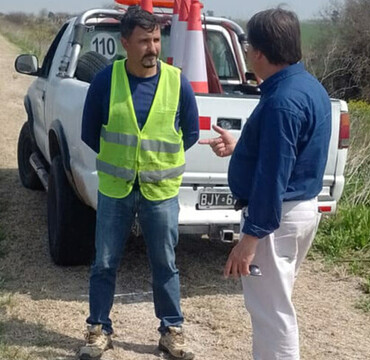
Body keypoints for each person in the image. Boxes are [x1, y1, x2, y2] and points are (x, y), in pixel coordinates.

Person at [198, 7, 331, 359]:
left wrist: (249, 239)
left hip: (278, 217)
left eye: (247, 48)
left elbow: (274, 175)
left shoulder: (282, 102)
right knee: (275, 307)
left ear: (258, 52)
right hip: (297, 210)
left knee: (272, 314)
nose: (246, 54)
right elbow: (289, 151)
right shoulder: (306, 87)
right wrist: (242, 146)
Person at [78, 6, 198, 360]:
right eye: (144, 41)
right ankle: (98, 331)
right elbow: (90, 132)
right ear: (125, 42)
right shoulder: (105, 81)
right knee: (104, 262)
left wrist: (152, 165)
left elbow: (188, 134)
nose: (153, 48)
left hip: (160, 192)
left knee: (165, 263)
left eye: (157, 39)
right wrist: (124, 164)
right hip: (116, 189)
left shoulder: (178, 82)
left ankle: (171, 331)